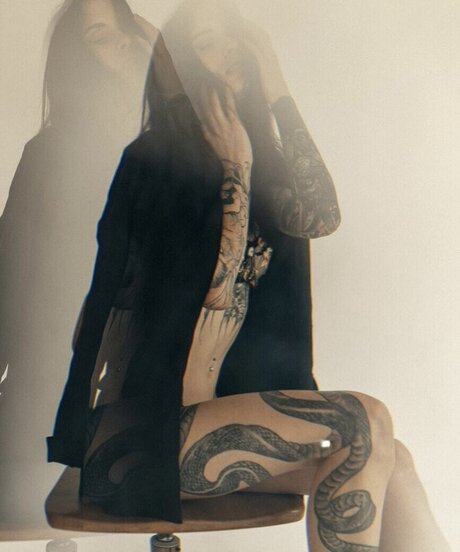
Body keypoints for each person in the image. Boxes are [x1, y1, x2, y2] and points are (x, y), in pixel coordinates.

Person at [48, 1, 452, 550]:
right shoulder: (156, 162)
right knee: (365, 420)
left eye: (236, 38)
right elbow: (207, 308)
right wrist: (235, 167)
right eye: (209, 42)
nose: (231, 51)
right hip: (141, 440)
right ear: (185, 67)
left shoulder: (258, 163)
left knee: (392, 458)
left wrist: (277, 88)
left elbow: (321, 216)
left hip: (203, 426)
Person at [0, 0, 155, 525]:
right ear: (75, 60)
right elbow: (8, 281)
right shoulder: (50, 155)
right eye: (100, 37)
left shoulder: (180, 158)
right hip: (48, 401)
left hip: (142, 408)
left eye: (127, 36)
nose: (121, 49)